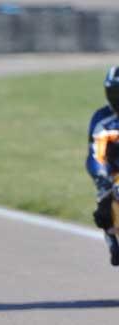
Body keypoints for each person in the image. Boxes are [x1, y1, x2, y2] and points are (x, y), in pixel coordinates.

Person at [86, 66, 119, 266]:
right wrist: (101, 176)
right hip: (114, 172)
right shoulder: (102, 119)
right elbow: (95, 153)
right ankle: (112, 241)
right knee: (103, 211)